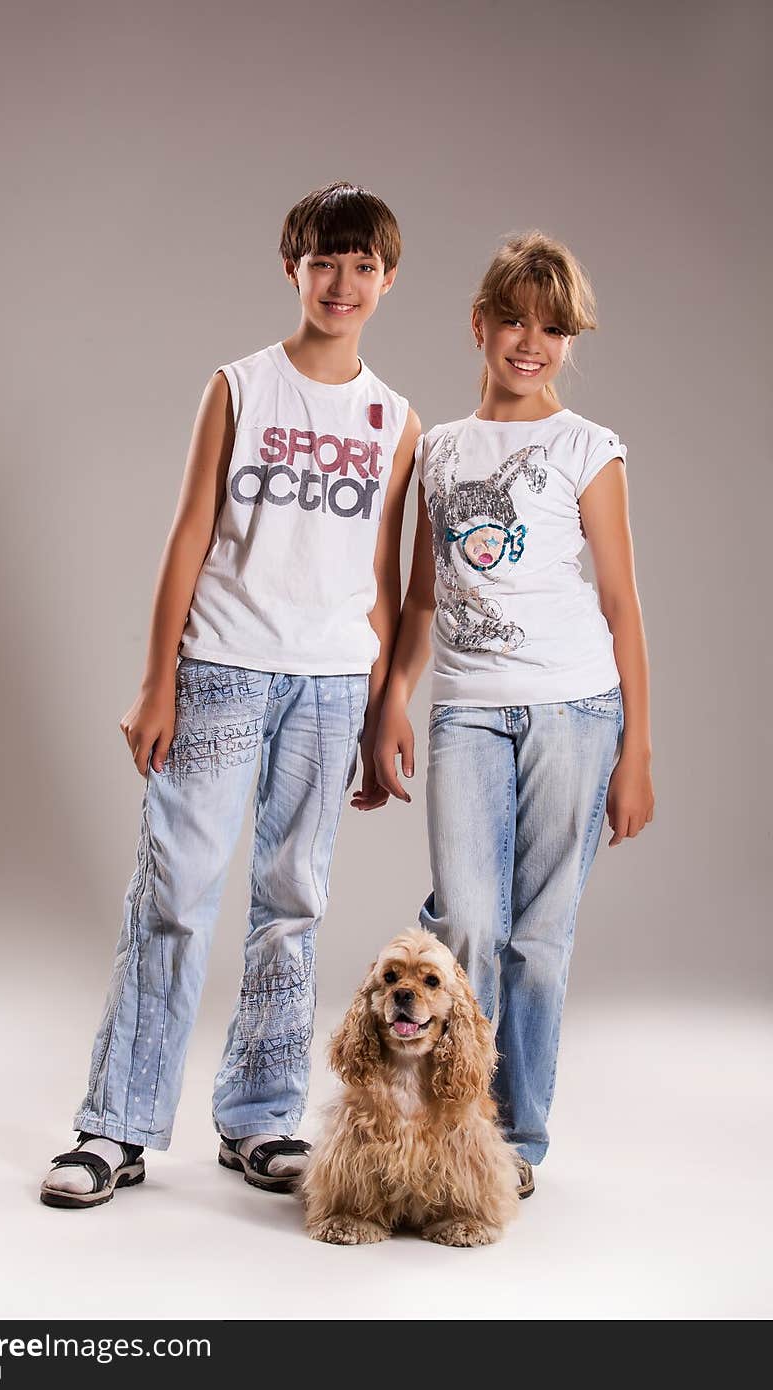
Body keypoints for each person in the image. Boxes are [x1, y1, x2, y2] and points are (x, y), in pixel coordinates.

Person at [40, 181, 420, 1208]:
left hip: (332, 684)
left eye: (362, 266)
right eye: (323, 261)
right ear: (291, 266)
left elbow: (384, 578)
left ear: (387, 279)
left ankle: (259, 1115)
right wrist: (156, 678)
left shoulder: (396, 419)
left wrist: (387, 704)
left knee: (292, 904)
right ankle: (113, 1124)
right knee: (171, 896)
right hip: (220, 669)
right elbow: (189, 534)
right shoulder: (239, 386)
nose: (341, 283)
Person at [373, 231, 654, 1200]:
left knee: (539, 938)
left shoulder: (587, 448)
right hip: (469, 715)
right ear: (479, 325)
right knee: (466, 923)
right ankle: (450, 1110)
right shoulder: (442, 450)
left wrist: (636, 752)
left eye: (551, 328)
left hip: (577, 712)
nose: (529, 343)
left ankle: (514, 1138)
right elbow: (418, 598)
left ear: (566, 339)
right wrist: (390, 704)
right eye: (513, 321)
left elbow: (620, 605)